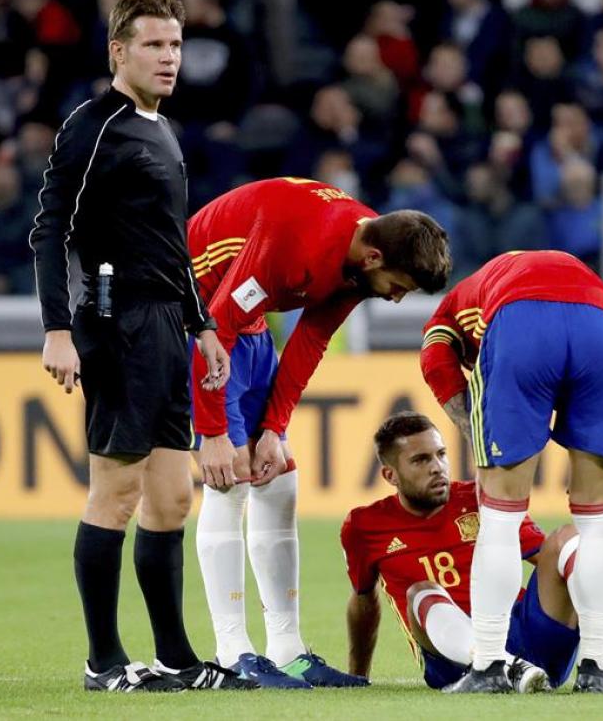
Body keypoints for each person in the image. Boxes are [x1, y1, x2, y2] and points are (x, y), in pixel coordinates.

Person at [28, 0, 250, 692]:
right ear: (118, 51)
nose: (169, 58)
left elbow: (172, 247)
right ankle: (104, 662)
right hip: (112, 320)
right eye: (154, 45)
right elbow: (51, 228)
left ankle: (178, 660)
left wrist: (202, 324)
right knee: (116, 491)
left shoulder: (162, 128)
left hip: (162, 326)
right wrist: (60, 327)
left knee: (172, 498)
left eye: (176, 46)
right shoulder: (94, 125)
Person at [188, 176, 451, 688]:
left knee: (278, 473)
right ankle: (232, 651)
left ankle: (286, 649)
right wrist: (213, 432)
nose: (397, 300)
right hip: (192, 314)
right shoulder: (294, 242)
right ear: (375, 258)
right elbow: (215, 324)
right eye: (400, 286)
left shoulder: (361, 253)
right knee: (231, 477)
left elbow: (311, 338)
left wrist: (274, 427)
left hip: (247, 320)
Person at [419, 250, 603, 693]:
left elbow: (435, 358)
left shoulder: (453, 309)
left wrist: (476, 426)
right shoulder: (572, 275)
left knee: (501, 516)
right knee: (598, 523)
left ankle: (488, 665)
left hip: (521, 321)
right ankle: (597, 669)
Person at [342, 412, 603, 693]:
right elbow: (363, 600)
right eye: (421, 460)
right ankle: (502, 667)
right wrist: (358, 675)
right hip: (454, 663)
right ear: (390, 476)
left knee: (572, 539)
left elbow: (558, 564)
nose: (437, 467)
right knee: (421, 592)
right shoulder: (364, 525)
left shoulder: (479, 498)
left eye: (441, 454)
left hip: (528, 639)